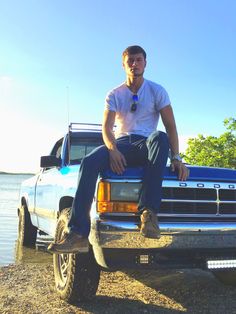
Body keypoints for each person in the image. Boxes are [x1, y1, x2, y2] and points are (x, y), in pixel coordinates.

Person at [48, 45, 189, 254]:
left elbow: (170, 126)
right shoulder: (115, 93)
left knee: (160, 137)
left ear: (145, 63)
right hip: (122, 144)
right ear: (124, 64)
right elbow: (106, 127)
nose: (134, 64)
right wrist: (113, 149)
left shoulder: (156, 91)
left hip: (146, 143)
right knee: (89, 161)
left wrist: (176, 158)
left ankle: (148, 214)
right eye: (130, 60)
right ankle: (77, 234)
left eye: (138, 60)